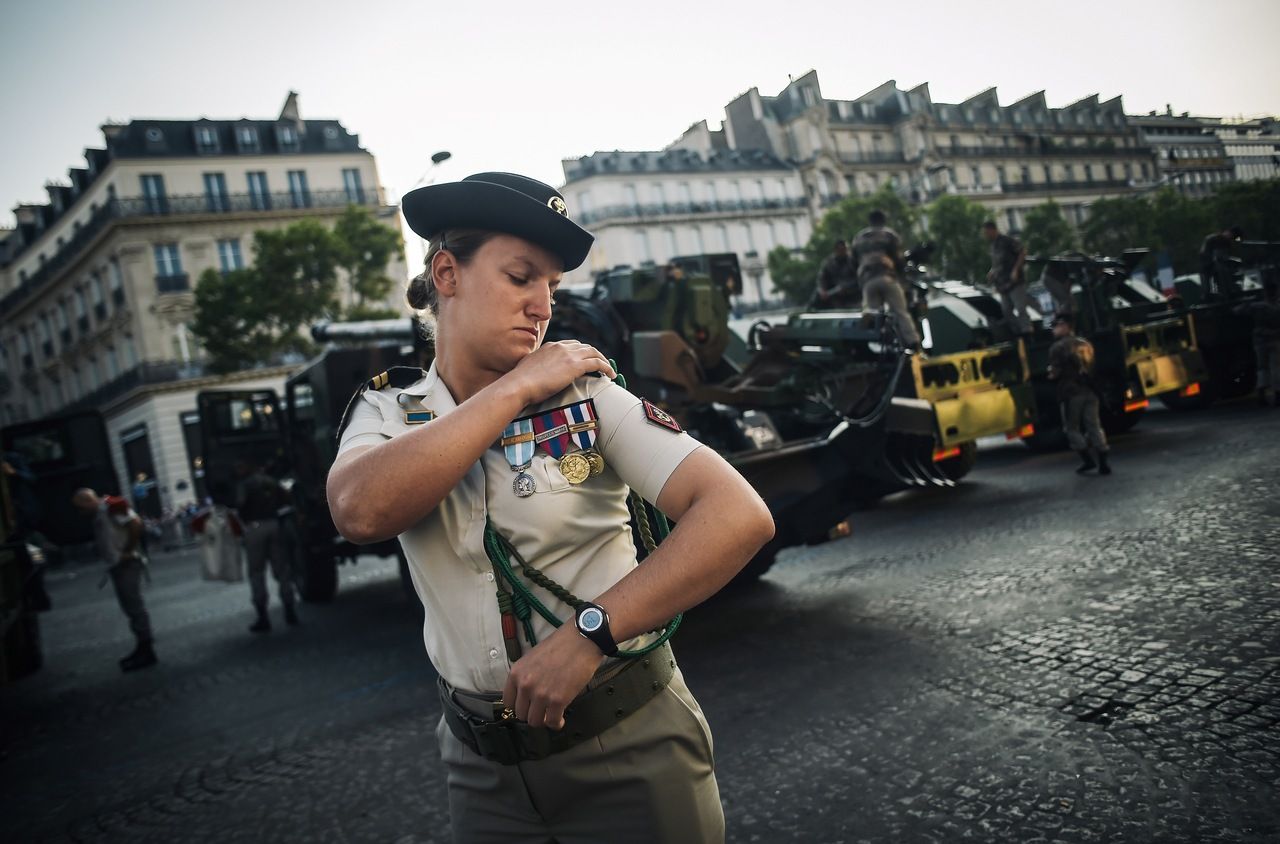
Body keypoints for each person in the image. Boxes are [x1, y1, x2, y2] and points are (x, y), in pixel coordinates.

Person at [327, 172, 774, 842]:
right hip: (483, 773)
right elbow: (359, 512)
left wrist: (590, 633)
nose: (543, 306)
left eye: (552, 288)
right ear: (446, 273)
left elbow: (738, 514)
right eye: (521, 277)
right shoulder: (390, 409)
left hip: (629, 747)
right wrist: (512, 392)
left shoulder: (585, 395)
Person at [71, 488, 157, 671]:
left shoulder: (112, 507)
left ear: (88, 500)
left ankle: (146, 649)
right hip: (118, 565)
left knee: (134, 607)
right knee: (130, 607)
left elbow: (135, 523)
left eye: (81, 508)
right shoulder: (103, 511)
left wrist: (127, 550)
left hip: (126, 564)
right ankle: (142, 646)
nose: (80, 513)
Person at [234, 460, 296, 632]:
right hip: (274, 523)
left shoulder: (245, 485)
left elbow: (240, 503)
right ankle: (290, 609)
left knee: (256, 572)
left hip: (254, 527)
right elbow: (286, 498)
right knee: (283, 570)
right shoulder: (270, 481)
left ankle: (263, 616)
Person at [1047, 314, 1111, 475]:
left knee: (1071, 428)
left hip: (1071, 392)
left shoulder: (1058, 347)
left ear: (1065, 326)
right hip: (1090, 390)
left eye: (1056, 326)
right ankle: (1103, 462)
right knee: (1094, 425)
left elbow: (1055, 372)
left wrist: (1051, 375)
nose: (1053, 329)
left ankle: (1087, 460)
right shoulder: (1086, 343)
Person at [852, 210, 922, 351]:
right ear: (883, 221)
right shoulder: (889, 235)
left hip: (868, 281)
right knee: (900, 312)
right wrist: (903, 277)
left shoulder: (859, 238)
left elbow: (853, 262)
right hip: (886, 277)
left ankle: (876, 347)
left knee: (873, 315)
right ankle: (914, 344)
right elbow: (898, 259)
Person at [982, 220, 1033, 336]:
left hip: (1015, 281)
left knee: (1020, 308)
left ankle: (1027, 332)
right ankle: (1018, 332)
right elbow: (997, 263)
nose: (986, 235)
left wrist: (1016, 269)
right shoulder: (993, 245)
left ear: (992, 230)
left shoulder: (1007, 240)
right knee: (1006, 311)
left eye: (986, 232)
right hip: (1002, 284)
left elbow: (1022, 251)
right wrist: (992, 272)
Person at [1234, 279, 1280, 407]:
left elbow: (1237, 311)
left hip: (1259, 341)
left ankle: (1261, 394)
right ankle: (1277, 395)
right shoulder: (1276, 306)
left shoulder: (1258, 306)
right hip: (1275, 339)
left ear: (1265, 292)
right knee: (1276, 368)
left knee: (1262, 369)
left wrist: (1246, 302)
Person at [1199, 225, 1245, 300]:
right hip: (1208, 267)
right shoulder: (1211, 239)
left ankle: (1230, 292)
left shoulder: (1227, 243)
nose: (1231, 239)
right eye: (1232, 236)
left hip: (1222, 270)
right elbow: (1204, 254)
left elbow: (1225, 257)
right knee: (1207, 291)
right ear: (1229, 233)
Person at [814, 239, 860, 308]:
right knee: (816, 297)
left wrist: (847, 288)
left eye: (845, 249)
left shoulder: (853, 261)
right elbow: (821, 278)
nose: (843, 252)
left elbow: (859, 278)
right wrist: (822, 291)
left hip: (852, 294)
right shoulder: (829, 262)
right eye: (841, 250)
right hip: (833, 294)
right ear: (836, 250)